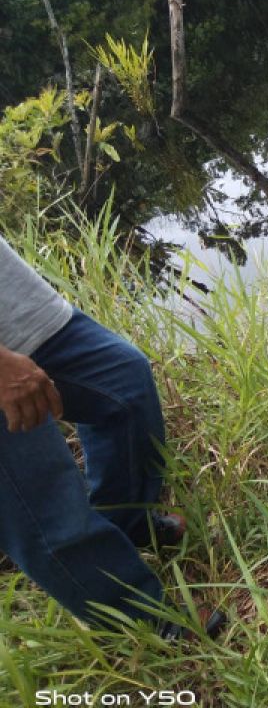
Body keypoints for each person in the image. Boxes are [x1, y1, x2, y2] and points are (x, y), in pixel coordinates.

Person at [0, 233, 221, 636]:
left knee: (124, 386)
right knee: (44, 510)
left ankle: (127, 522)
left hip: (19, 313)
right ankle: (146, 621)